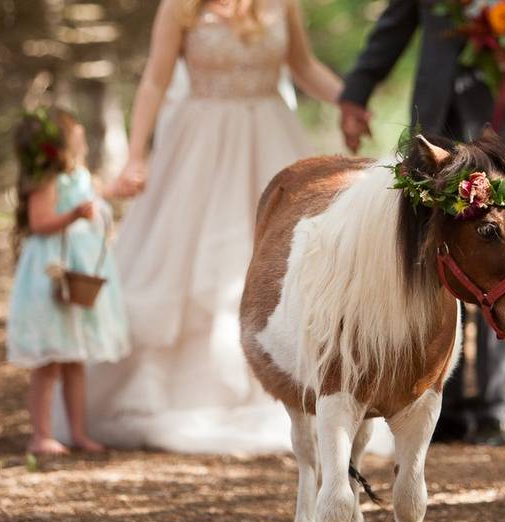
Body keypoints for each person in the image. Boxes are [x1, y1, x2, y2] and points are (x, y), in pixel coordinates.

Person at [60, 0, 346, 454]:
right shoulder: (180, 7)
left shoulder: (280, 4)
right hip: (199, 145)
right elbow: (155, 79)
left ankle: (283, 383)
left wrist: (352, 101)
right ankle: (176, 391)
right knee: (182, 257)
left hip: (270, 137)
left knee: (277, 256)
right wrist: (136, 156)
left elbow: (305, 66)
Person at [339, 0, 505, 445]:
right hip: (436, 131)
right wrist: (356, 92)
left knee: (504, 255)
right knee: (433, 263)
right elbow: (395, 25)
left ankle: (490, 408)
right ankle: (439, 400)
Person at [7, 108, 130, 456]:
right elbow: (40, 221)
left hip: (79, 271)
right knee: (49, 362)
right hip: (52, 272)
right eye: (76, 137)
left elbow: (99, 196)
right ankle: (41, 434)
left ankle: (78, 431)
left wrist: (115, 192)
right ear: (56, 146)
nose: (82, 141)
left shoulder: (80, 176)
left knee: (75, 360)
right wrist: (74, 215)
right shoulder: (46, 181)